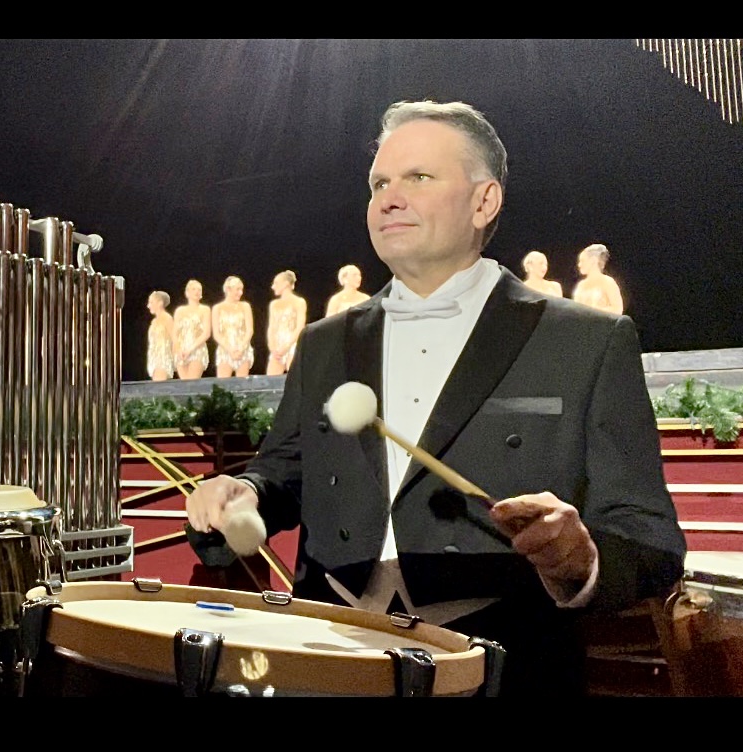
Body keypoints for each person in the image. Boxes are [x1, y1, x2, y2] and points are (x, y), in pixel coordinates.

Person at [185, 99, 686, 697]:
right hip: (325, 666)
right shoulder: (322, 343)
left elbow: (650, 540)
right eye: (379, 184)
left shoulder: (587, 340)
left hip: (502, 672)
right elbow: (285, 474)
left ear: (484, 201)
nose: (389, 199)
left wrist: (581, 560)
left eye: (418, 177)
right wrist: (243, 494)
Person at [265, 270, 307, 376]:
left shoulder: (299, 302)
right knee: (271, 379)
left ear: (285, 284)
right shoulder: (274, 304)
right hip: (277, 345)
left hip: (293, 342)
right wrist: (272, 347)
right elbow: (271, 327)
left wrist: (287, 346)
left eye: (276, 283)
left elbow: (300, 326)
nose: (273, 287)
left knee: (294, 376)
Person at [211, 276, 254, 378]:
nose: (240, 293)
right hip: (225, 350)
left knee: (242, 384)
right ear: (228, 289)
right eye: (237, 289)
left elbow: (250, 330)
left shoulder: (245, 306)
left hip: (243, 350)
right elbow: (216, 334)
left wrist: (241, 348)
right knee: (223, 385)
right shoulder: (217, 308)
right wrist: (230, 350)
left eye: (241, 289)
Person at [172, 280, 211, 380]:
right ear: (187, 292)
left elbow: (206, 333)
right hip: (181, 350)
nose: (197, 291)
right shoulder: (179, 311)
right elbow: (174, 333)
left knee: (192, 382)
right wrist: (178, 350)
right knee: (184, 384)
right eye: (194, 289)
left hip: (197, 349)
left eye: (199, 290)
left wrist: (190, 349)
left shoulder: (205, 310)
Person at [572, 243, 624, 314]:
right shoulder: (581, 285)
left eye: (582, 261)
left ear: (593, 261)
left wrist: (593, 312)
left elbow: (617, 309)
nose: (579, 265)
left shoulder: (608, 282)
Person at [146, 290, 175, 382]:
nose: (148, 305)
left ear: (160, 303)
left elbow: (175, 339)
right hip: (154, 358)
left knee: (159, 385)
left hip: (163, 358)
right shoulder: (154, 321)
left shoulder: (167, 318)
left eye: (151, 302)